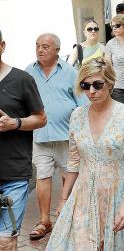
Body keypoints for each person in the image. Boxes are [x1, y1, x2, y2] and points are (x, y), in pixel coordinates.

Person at [46, 58, 124, 250]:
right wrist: (63, 199)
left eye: (97, 85)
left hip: (120, 192)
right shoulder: (77, 115)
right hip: (84, 193)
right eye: (85, 86)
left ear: (110, 83)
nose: (91, 91)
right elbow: (74, 160)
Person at [25, 33, 88, 240]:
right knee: (42, 177)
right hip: (40, 136)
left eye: (45, 46)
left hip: (67, 137)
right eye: (37, 46)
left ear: (57, 50)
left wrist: (82, 134)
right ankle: (44, 220)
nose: (40, 50)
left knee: (68, 176)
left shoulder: (70, 72)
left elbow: (82, 105)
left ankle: (67, 217)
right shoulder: (28, 73)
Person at [0, 30, 46, 250]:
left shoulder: (22, 80)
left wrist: (14, 123)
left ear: (2, 46)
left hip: (14, 174)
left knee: (5, 239)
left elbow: (41, 118)